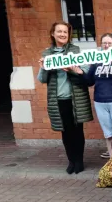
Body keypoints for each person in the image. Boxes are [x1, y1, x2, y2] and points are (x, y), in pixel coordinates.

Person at [37, 21, 93, 174]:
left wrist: (72, 69)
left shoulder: (75, 51)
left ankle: (79, 161)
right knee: (66, 132)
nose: (62, 34)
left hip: (75, 99)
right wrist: (43, 68)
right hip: (58, 100)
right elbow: (41, 79)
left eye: (65, 32)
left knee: (77, 130)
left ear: (68, 35)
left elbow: (85, 70)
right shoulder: (47, 54)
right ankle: (71, 160)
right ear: (53, 34)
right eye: (59, 31)